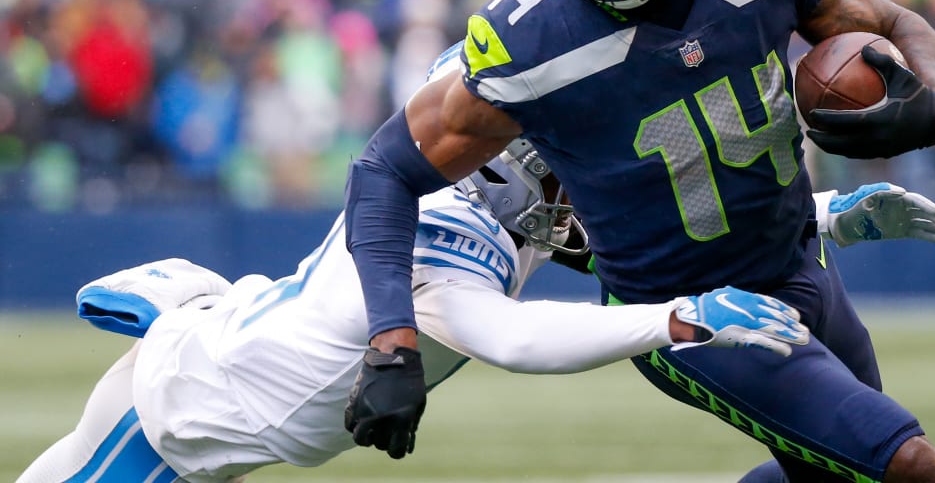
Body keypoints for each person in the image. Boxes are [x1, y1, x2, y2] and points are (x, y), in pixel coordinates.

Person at [342, 0, 935, 482]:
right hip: (686, 316)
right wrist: (390, 338)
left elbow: (897, 25)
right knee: (911, 467)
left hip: (800, 265)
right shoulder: (533, 40)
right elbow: (385, 169)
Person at [17, 132, 814, 483]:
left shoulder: (501, 206)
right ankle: (180, 307)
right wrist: (680, 318)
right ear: (509, 174)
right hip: (174, 415)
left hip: (239, 400)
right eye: (567, 179)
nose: (585, 199)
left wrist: (826, 214)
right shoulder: (451, 235)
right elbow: (515, 337)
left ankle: (187, 301)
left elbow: (641, 226)